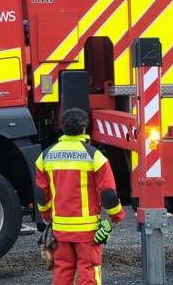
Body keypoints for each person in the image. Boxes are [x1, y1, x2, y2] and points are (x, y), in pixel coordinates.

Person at [35, 108, 126, 285]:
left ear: (63, 127)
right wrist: (117, 216)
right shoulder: (95, 157)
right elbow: (107, 193)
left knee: (62, 270)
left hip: (61, 228)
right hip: (87, 230)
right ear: (84, 128)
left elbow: (41, 194)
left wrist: (46, 216)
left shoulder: (45, 157)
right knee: (89, 271)